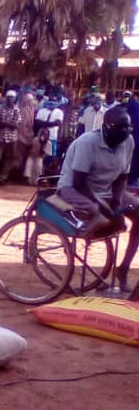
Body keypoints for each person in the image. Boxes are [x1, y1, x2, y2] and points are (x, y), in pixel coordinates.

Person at [55, 106, 139, 290]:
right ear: (107, 126)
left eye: (128, 128)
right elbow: (79, 182)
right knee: (99, 210)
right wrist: (100, 204)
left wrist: (117, 200)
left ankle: (123, 268)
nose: (125, 132)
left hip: (107, 188)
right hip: (75, 188)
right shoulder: (88, 142)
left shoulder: (128, 141)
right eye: (120, 128)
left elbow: (122, 178)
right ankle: (95, 219)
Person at [0, 90, 21, 186]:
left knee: (9, 158)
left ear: (15, 99)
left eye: (12, 97)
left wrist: (4, 123)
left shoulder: (17, 110)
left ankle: (2, 177)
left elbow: (16, 125)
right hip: (0, 137)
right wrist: (8, 124)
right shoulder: (0, 109)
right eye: (9, 97)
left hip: (12, 138)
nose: (10, 99)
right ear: (6, 98)